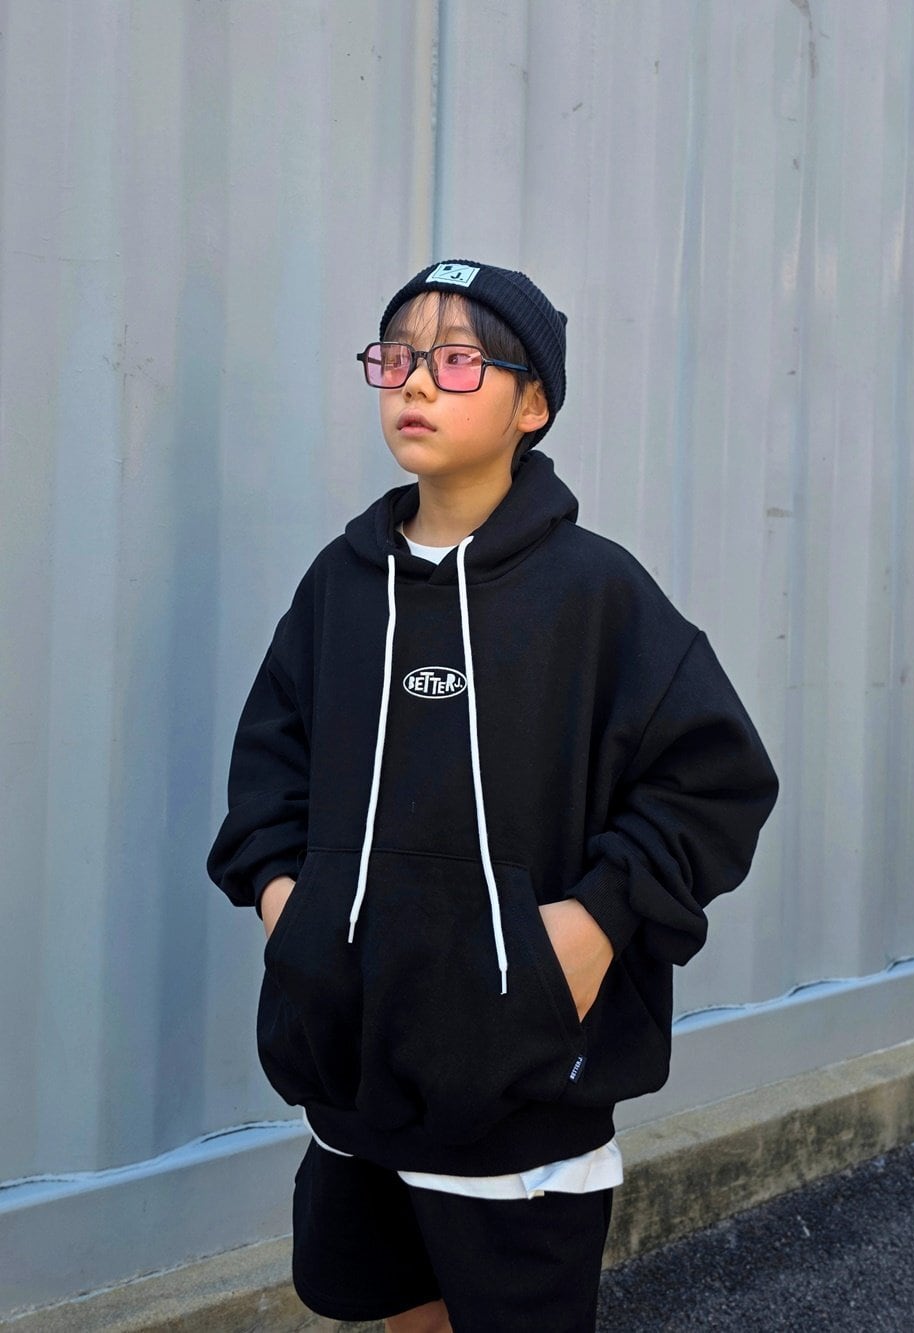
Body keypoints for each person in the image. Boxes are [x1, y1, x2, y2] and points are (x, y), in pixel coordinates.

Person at [207, 259, 779, 1332]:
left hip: (525, 1091)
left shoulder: (595, 591)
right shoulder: (341, 584)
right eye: (398, 357)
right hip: (353, 1077)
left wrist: (589, 926)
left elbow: (714, 779)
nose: (417, 381)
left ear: (533, 405)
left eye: (459, 359)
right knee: (398, 1308)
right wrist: (294, 909)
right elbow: (266, 772)